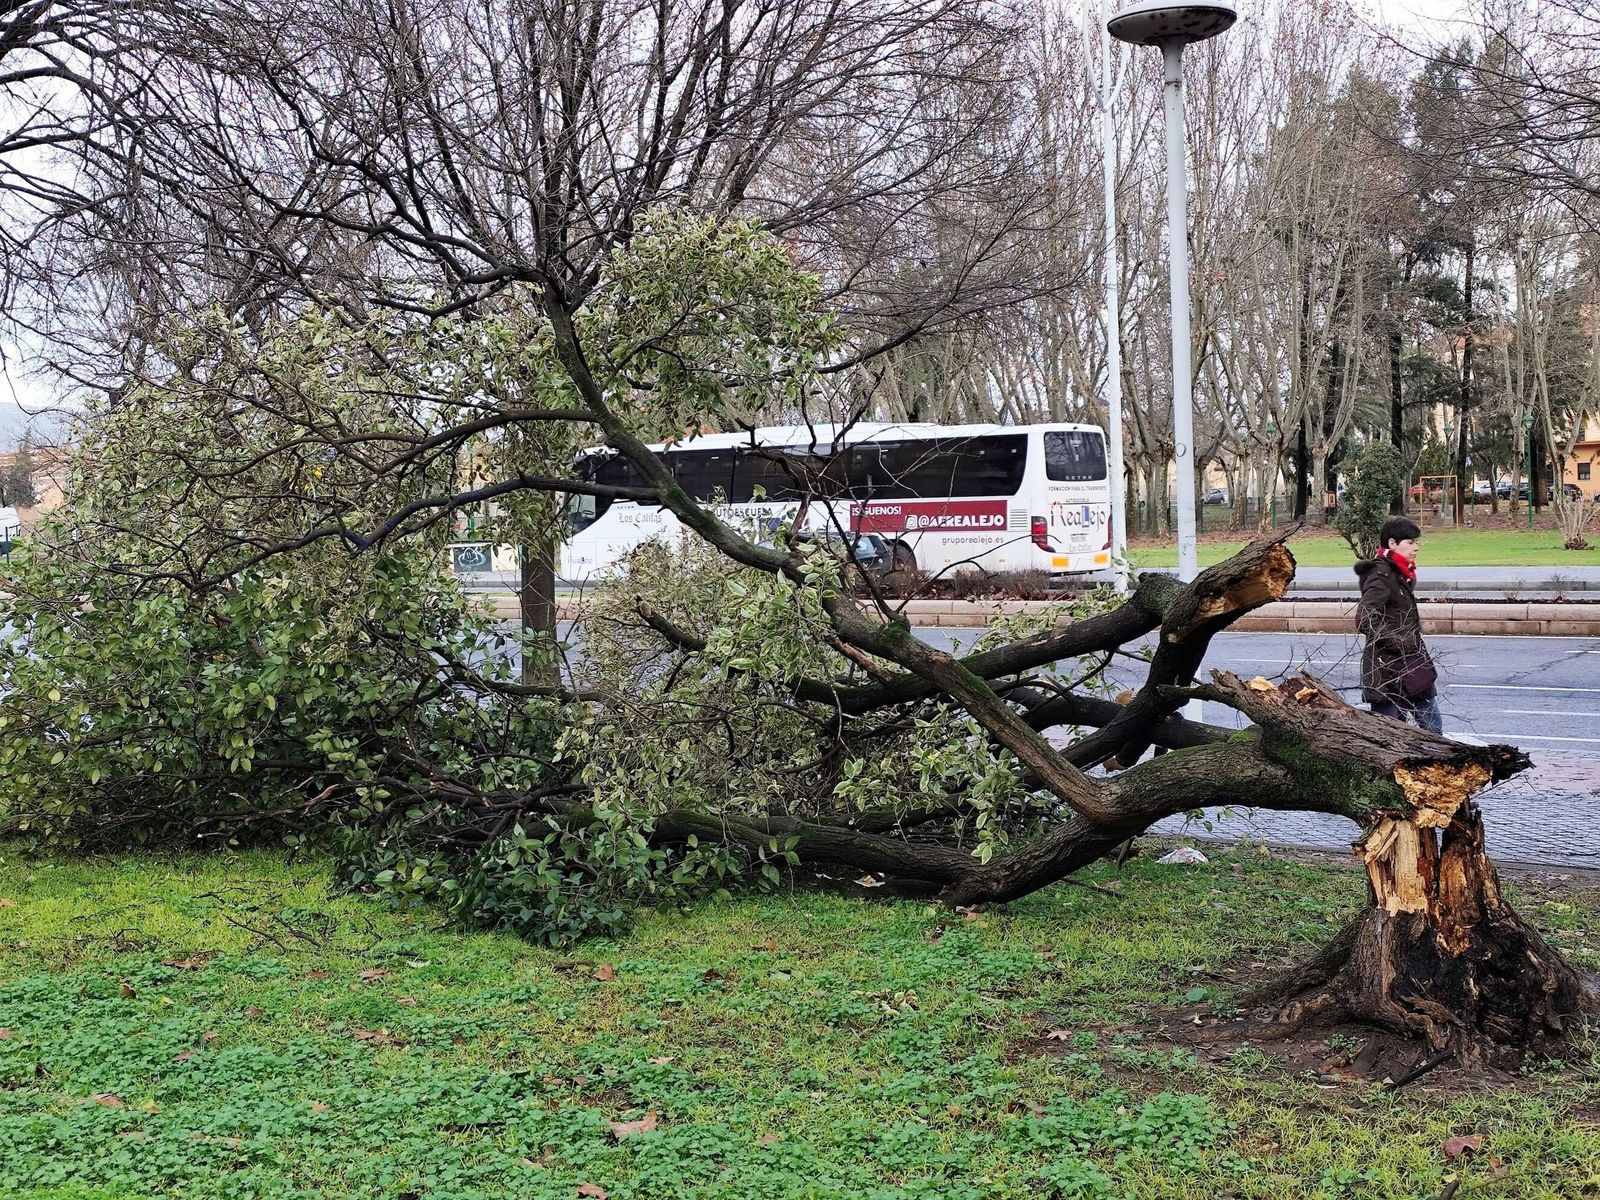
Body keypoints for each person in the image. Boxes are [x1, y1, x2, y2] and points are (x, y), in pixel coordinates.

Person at [1355, 516, 1442, 733]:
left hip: (1412, 666)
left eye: (1416, 542)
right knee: (1389, 738)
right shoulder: (1381, 574)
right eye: (1410, 542)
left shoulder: (1401, 573)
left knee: (1433, 731)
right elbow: (1364, 617)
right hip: (1387, 671)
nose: (1416, 547)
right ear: (1393, 543)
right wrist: (1398, 642)